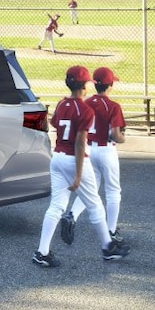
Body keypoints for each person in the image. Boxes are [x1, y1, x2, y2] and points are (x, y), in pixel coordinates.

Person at [33, 65, 93, 268]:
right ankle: (109, 244)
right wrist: (77, 174)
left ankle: (42, 252)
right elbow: (80, 143)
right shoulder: (83, 108)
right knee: (93, 199)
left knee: (56, 205)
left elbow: (55, 124)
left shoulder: (61, 104)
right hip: (72, 158)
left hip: (57, 157)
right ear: (83, 86)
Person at [83, 66, 129, 260]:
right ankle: (110, 230)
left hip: (88, 148)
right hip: (106, 150)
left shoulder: (86, 102)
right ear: (109, 85)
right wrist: (123, 138)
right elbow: (115, 135)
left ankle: (72, 216)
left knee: (91, 188)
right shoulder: (113, 106)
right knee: (113, 191)